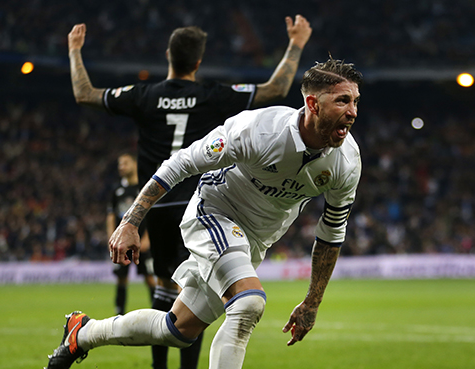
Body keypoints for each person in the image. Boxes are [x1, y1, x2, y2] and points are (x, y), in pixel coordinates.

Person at [45, 58, 363, 369]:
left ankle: (83, 333)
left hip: (254, 241)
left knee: (177, 330)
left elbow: (332, 233)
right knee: (248, 304)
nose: (352, 113)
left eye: (355, 102)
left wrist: (312, 302)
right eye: (343, 101)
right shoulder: (258, 130)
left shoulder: (346, 162)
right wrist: (131, 221)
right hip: (214, 212)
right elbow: (180, 164)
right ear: (313, 103)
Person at [67, 16, 311, 369]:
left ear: (168, 55)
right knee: (195, 300)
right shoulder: (211, 95)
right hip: (200, 205)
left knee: (164, 294)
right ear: (198, 62)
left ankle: (156, 365)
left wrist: (75, 51)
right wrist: (296, 43)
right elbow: (274, 89)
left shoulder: (143, 95)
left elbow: (84, 94)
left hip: (155, 204)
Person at [107, 153, 156, 315]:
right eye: (120, 164)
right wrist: (111, 237)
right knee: (121, 278)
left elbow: (151, 214)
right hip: (122, 241)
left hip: (142, 240)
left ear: (135, 165)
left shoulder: (144, 188)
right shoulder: (117, 190)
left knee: (150, 277)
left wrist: (148, 238)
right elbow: (111, 216)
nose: (121, 167)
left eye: (125, 163)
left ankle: (157, 311)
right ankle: (118, 313)